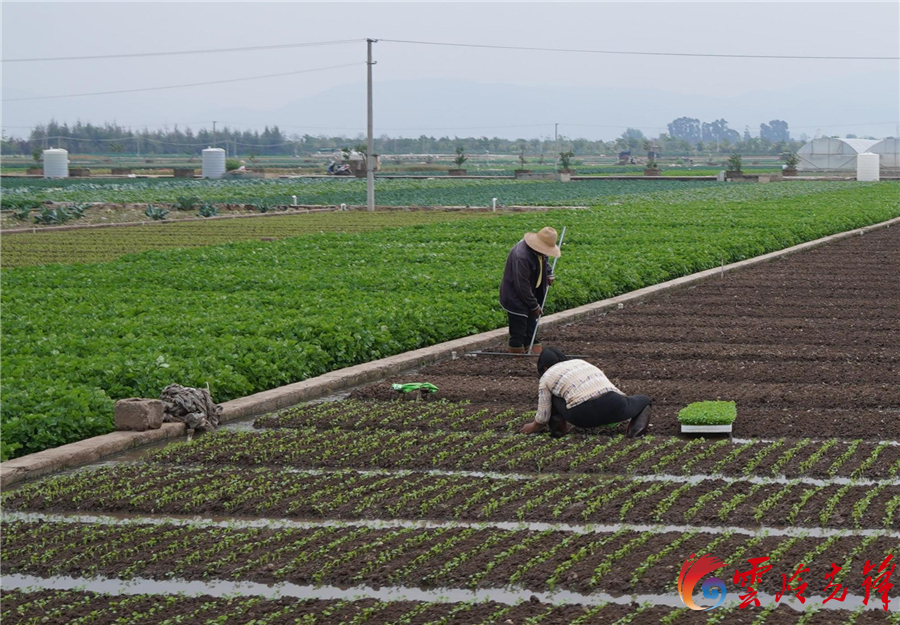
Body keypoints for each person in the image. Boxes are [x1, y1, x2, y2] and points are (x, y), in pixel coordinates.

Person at [520, 347, 652, 438]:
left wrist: (533, 426)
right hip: (614, 404)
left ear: (544, 367)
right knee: (645, 401)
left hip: (581, 415)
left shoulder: (547, 376)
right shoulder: (581, 363)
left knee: (553, 397)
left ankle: (558, 434)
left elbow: (543, 417)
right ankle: (635, 435)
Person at [499, 227, 561, 354]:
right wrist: (534, 306)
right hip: (515, 296)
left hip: (531, 292)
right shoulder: (521, 256)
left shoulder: (539, 251)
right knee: (519, 329)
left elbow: (544, 260)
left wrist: (548, 273)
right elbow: (522, 285)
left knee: (532, 328)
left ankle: (531, 350)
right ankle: (517, 361)